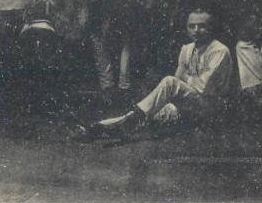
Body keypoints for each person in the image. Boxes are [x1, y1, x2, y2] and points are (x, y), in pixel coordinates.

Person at [91, 9, 233, 135]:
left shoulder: (219, 51)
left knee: (169, 82)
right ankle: (99, 129)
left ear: (211, 27)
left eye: (202, 26)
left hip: (211, 107)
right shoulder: (187, 49)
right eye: (191, 26)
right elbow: (181, 80)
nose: (196, 30)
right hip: (188, 105)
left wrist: (182, 77)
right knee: (148, 116)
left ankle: (125, 122)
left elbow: (203, 86)